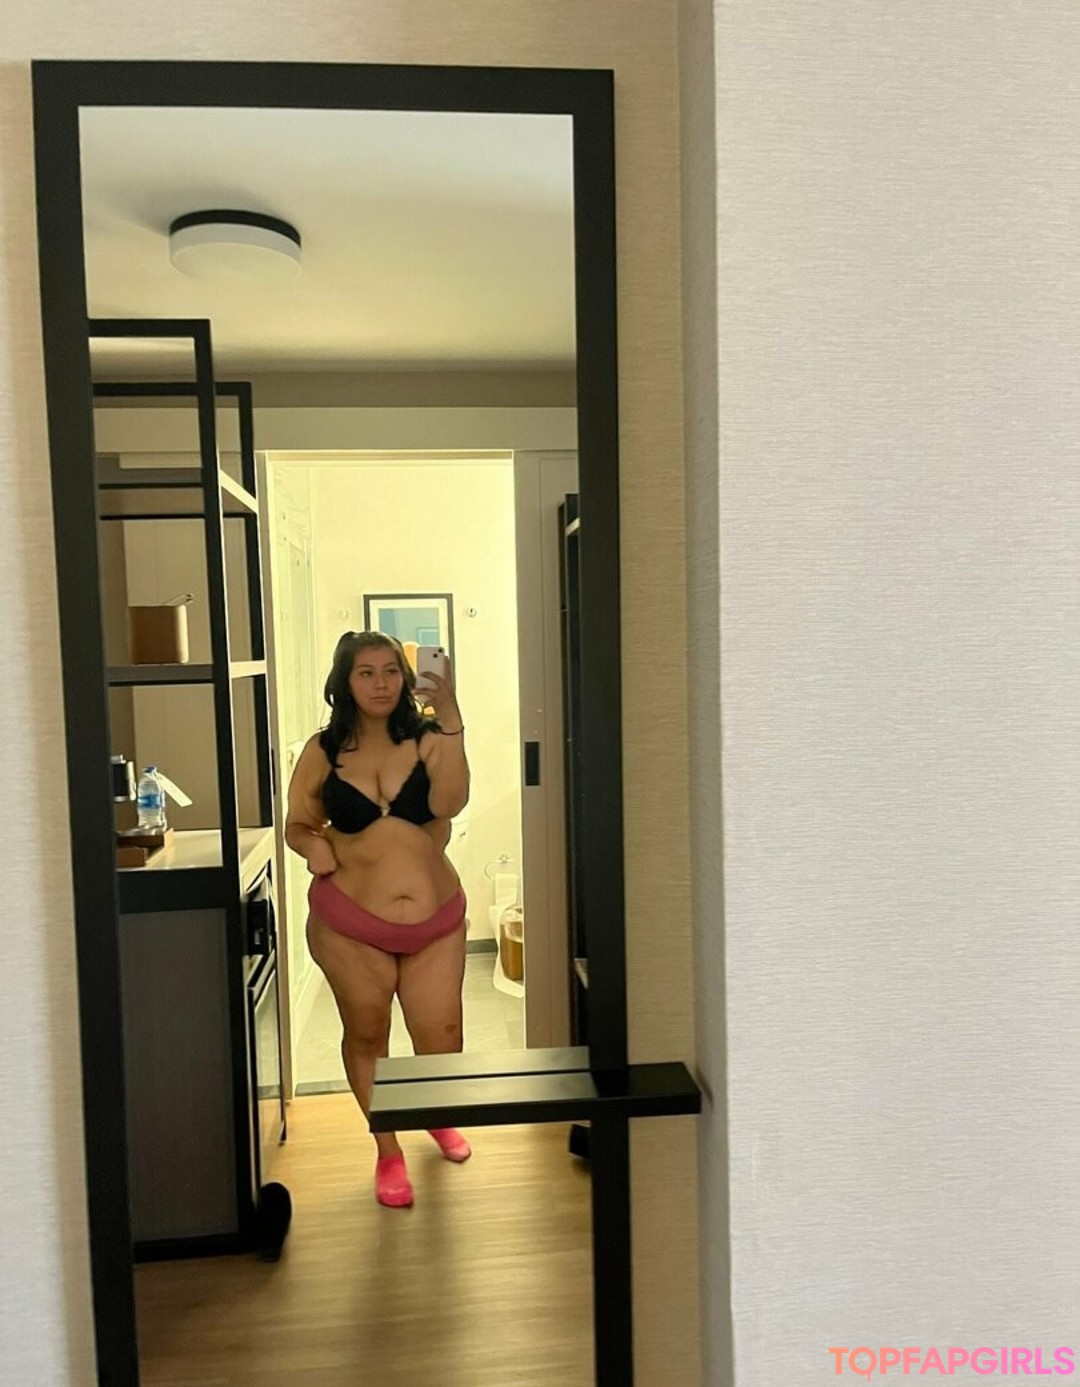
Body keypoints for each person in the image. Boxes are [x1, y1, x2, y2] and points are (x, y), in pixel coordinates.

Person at [285, 630, 471, 1208]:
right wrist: (313, 848)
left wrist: (451, 715)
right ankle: (387, 1148)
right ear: (345, 681)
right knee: (368, 1034)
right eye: (366, 673)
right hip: (350, 922)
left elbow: (450, 803)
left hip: (436, 919)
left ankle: (434, 1114)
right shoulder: (322, 750)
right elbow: (298, 823)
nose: (381, 683)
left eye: (391, 671)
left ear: (405, 677)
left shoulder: (430, 738)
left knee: (442, 1037)